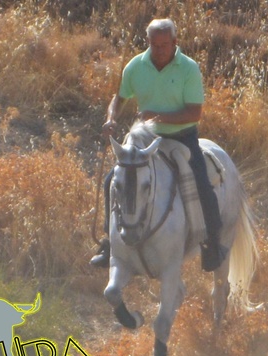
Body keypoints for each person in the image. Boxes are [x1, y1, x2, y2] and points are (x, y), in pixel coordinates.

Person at [90, 18, 227, 272]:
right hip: (145, 137)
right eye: (154, 45)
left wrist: (158, 117)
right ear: (149, 42)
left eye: (164, 45)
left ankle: (212, 243)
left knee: (201, 182)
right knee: (112, 180)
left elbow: (194, 113)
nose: (159, 50)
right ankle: (110, 242)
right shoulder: (136, 66)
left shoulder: (188, 69)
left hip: (181, 136)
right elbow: (119, 98)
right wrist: (111, 118)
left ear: (175, 42)